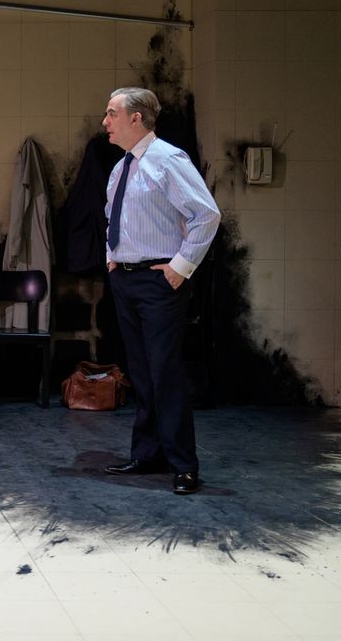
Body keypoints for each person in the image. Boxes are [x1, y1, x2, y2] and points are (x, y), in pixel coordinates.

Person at [100, 87, 220, 495]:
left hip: (158, 281)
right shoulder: (121, 168)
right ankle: (148, 454)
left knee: (165, 372)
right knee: (141, 372)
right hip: (126, 279)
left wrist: (179, 268)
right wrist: (112, 259)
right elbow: (113, 219)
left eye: (112, 113)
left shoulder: (168, 159)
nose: (105, 122)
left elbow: (206, 215)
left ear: (136, 119)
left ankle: (183, 464)